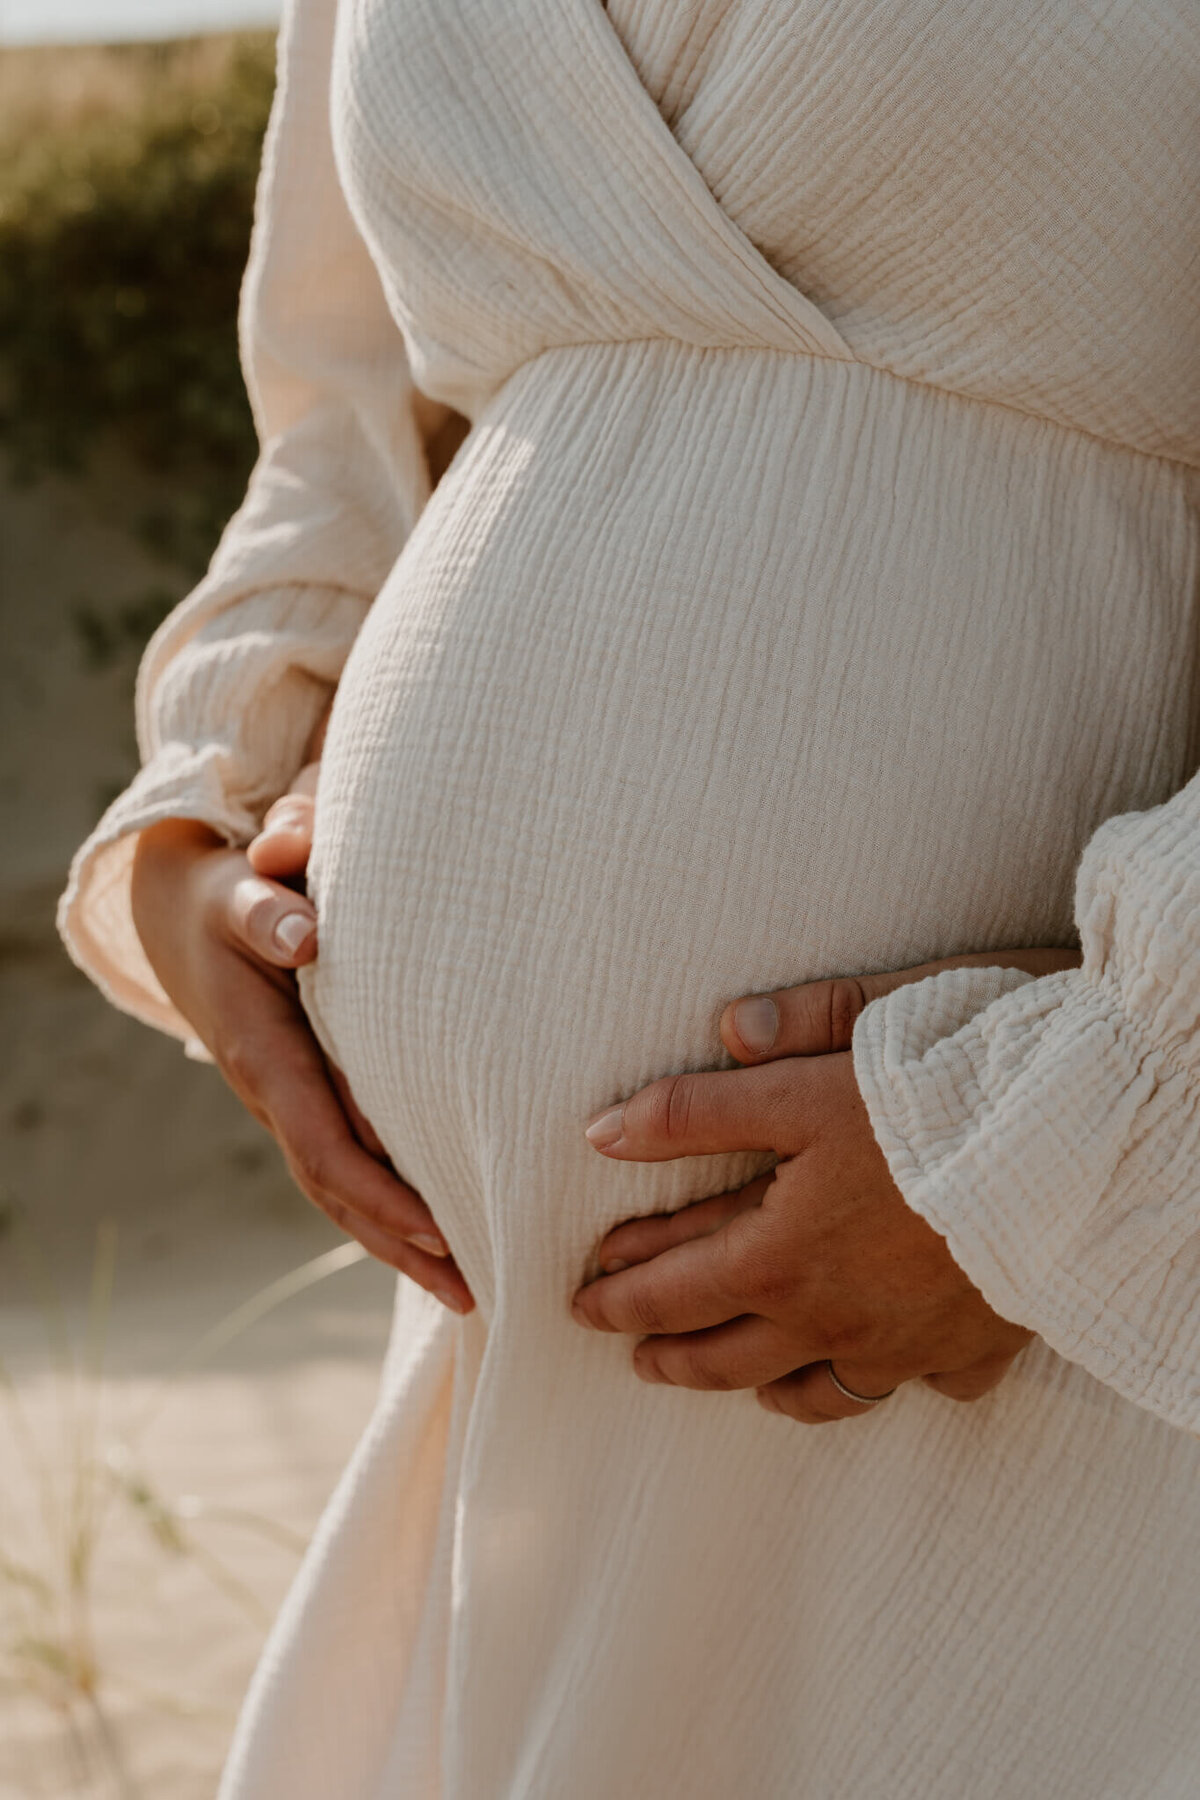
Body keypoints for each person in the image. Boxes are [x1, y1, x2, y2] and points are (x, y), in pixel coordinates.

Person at [59, 0, 1200, 1794]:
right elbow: (349, 401)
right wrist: (204, 823)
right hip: (520, 1355)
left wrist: (1075, 1136)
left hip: (1063, 1300)